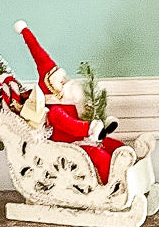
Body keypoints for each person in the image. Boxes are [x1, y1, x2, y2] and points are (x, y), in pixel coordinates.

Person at [14, 20, 124, 183]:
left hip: (84, 140)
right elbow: (70, 125)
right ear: (51, 88)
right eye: (61, 81)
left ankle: (132, 167)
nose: (66, 81)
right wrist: (90, 128)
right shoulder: (54, 112)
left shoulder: (71, 103)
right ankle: (113, 186)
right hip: (70, 148)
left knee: (114, 145)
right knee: (99, 156)